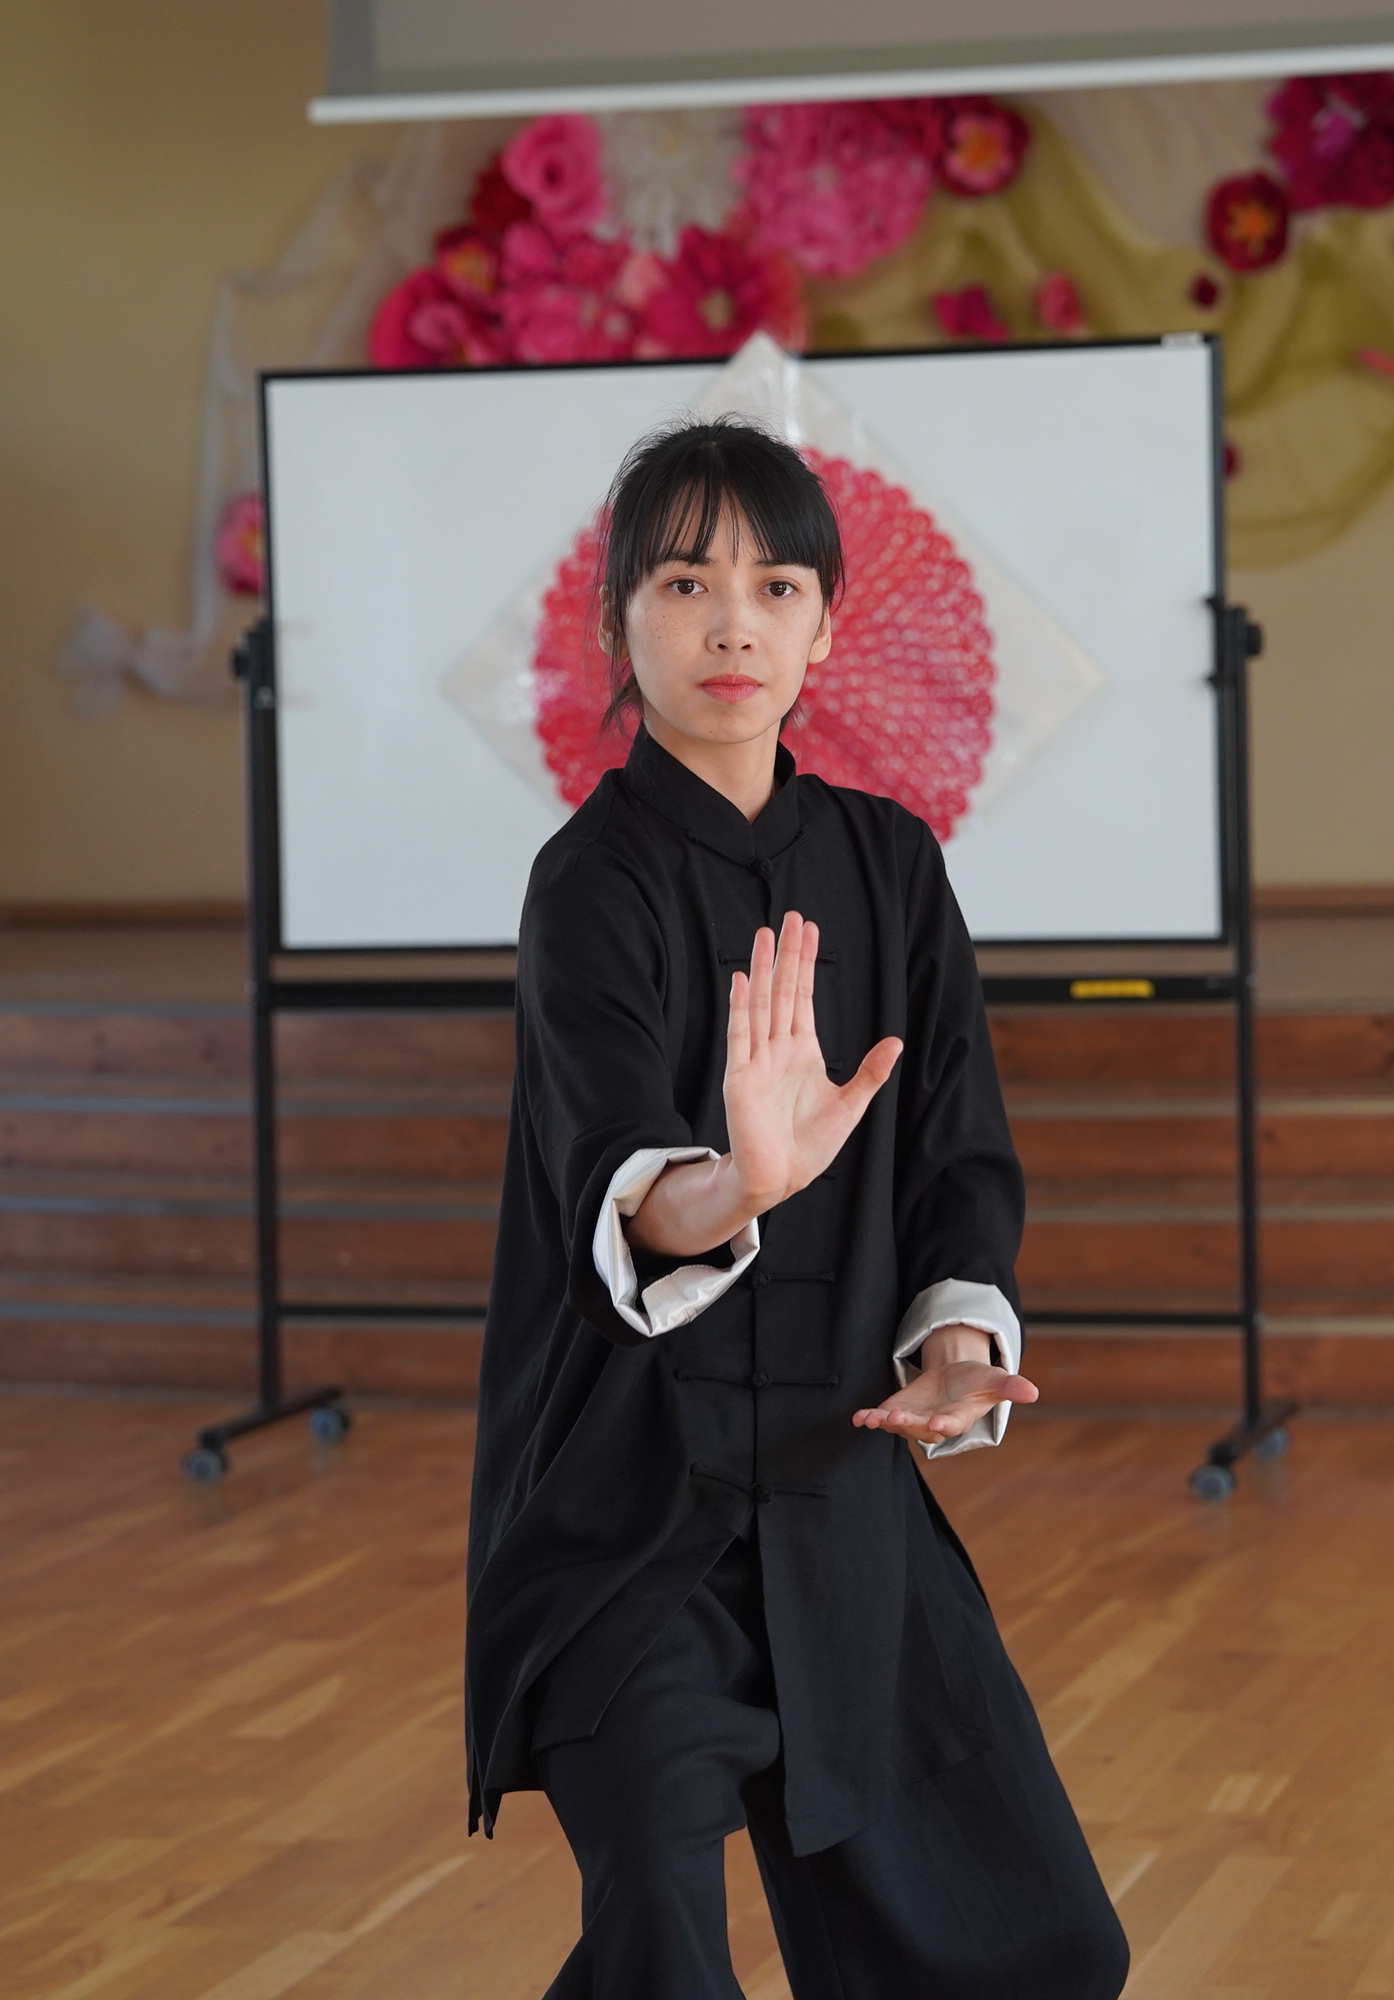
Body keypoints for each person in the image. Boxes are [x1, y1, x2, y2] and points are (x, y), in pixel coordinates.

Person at [465, 416, 1130, 1999]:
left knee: (1041, 1947)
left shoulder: (891, 864)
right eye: (685, 583)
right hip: (635, 1516)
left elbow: (956, 1154)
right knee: (659, 1937)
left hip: (843, 1503)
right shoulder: (589, 883)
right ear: (619, 618)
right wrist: (740, 1183)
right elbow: (620, 1181)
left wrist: (957, 1348)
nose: (733, 625)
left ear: (827, 626)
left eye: (775, 587)